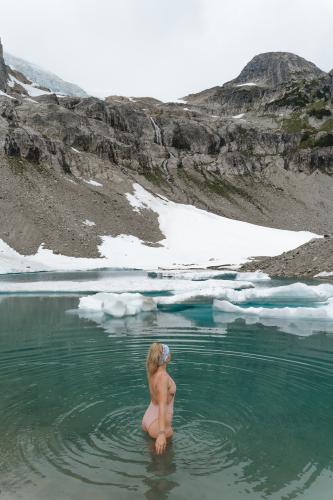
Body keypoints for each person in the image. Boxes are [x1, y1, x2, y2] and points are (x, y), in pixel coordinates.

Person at [142, 343, 176, 454]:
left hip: (148, 418)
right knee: (164, 465)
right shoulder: (163, 377)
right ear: (167, 357)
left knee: (154, 459)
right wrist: (161, 434)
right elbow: (162, 404)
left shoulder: (153, 373)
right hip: (158, 425)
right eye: (169, 352)